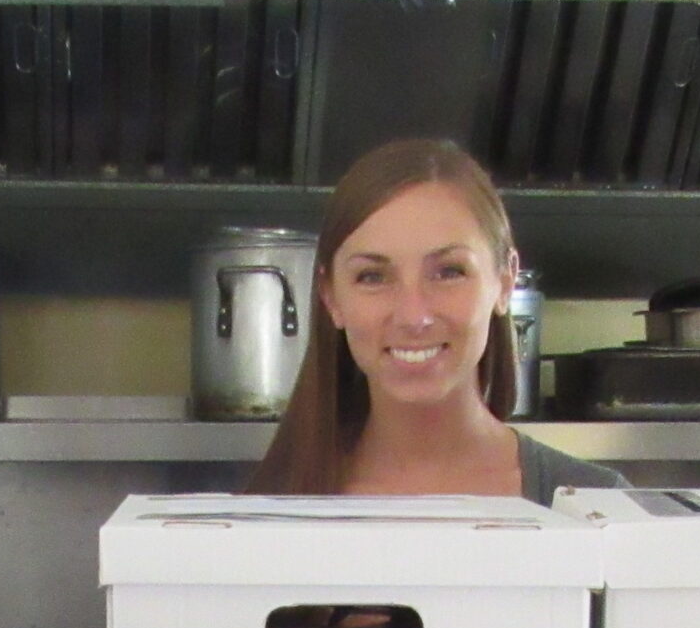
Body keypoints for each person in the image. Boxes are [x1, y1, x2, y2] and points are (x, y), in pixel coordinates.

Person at [248, 138, 624, 503]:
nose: (415, 316)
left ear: (506, 280)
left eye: (448, 272)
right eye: (373, 277)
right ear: (331, 296)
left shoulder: (598, 506)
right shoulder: (264, 514)